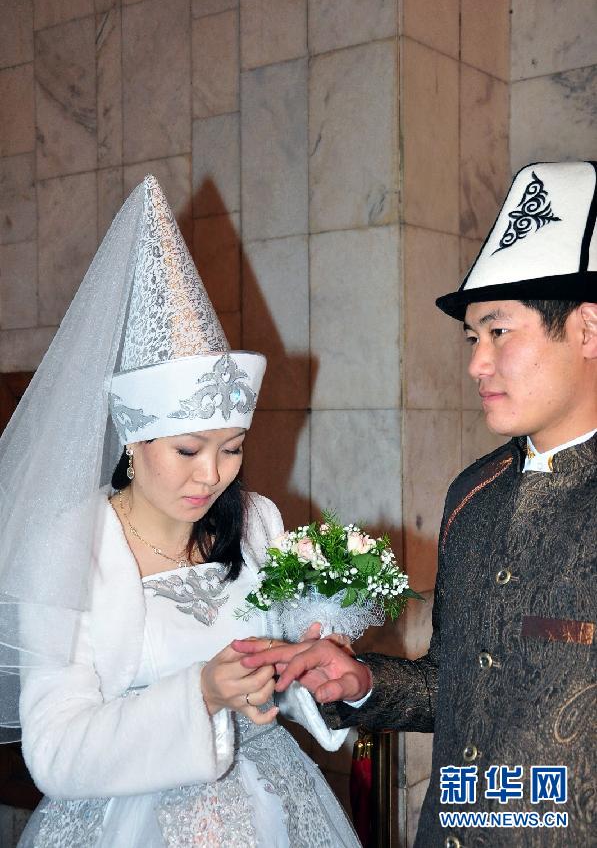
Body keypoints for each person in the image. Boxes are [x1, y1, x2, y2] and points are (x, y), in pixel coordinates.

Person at [235, 161, 597, 847]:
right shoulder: (474, 492)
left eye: (498, 332)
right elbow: (455, 682)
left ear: (584, 329)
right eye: (470, 337)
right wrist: (364, 682)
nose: (475, 364)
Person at [0, 176, 361, 847]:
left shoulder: (255, 522)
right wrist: (199, 693)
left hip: (271, 805)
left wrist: (312, 672)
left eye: (231, 448)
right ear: (129, 443)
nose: (212, 475)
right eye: (189, 448)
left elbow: (283, 683)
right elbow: (52, 751)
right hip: (123, 819)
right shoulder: (70, 546)